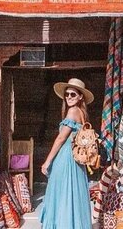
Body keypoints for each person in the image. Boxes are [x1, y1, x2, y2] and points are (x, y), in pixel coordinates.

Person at [40, 78, 94, 229]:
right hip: (76, 161)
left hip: (66, 159)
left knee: (61, 194)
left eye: (73, 94)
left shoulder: (72, 111)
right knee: (73, 196)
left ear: (80, 96)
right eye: (67, 94)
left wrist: (48, 161)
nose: (69, 97)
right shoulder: (82, 113)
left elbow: (60, 138)